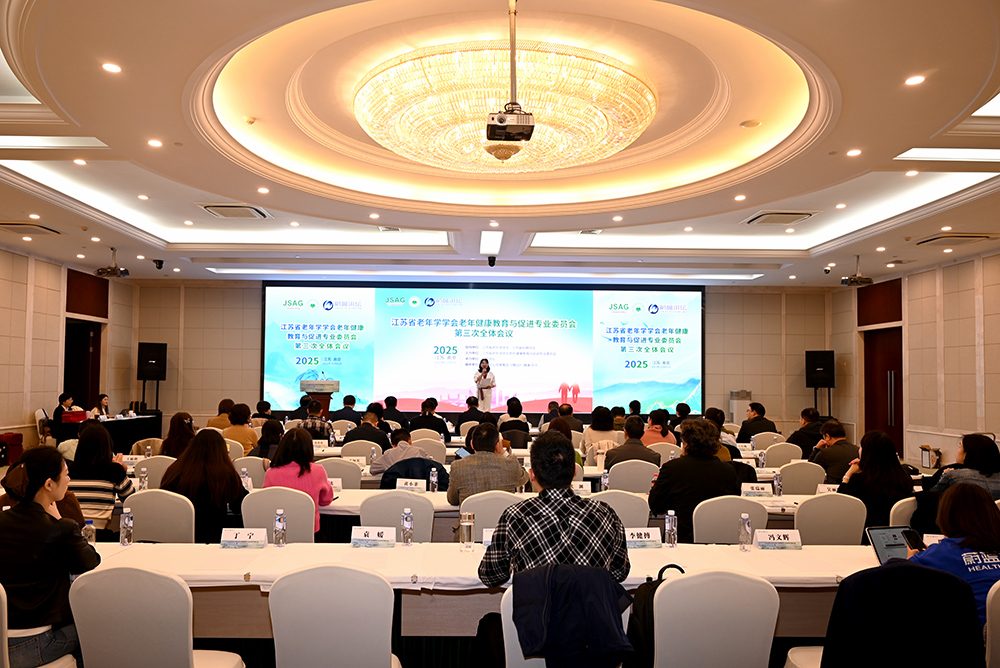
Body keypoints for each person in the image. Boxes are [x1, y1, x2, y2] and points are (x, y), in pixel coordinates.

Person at [478, 430, 630, 588]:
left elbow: (491, 576)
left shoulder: (515, 516)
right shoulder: (605, 513)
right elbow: (619, 573)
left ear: (532, 475)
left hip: (536, 604)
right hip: (592, 604)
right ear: (575, 471)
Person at [0, 447, 100, 668]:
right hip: (36, 645)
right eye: (65, 474)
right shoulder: (60, 528)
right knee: (97, 629)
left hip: (0, 644)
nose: (69, 479)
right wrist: (59, 519)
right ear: (49, 484)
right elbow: (90, 561)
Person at [909, 483, 1000, 627]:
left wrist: (908, 561)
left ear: (945, 516)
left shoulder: (937, 554)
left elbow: (883, 580)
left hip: (970, 636)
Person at [648, 418, 740, 543]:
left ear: (686, 443)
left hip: (680, 540)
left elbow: (655, 504)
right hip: (718, 540)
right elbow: (733, 503)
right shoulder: (728, 470)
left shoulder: (672, 468)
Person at [160, 430, 248, 543]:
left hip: (176, 537)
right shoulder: (226, 473)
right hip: (215, 538)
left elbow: (164, 499)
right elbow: (240, 504)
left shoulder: (175, 470)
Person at [68, 423, 134, 537]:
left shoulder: (67, 471)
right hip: (99, 534)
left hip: (70, 534)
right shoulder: (114, 471)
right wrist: (121, 469)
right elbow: (130, 499)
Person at [263, 428, 334, 534]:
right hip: (310, 531)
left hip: (279, 530)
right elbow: (326, 501)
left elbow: (267, 502)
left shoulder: (270, 473)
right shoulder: (318, 471)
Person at [838, 430, 914, 530]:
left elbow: (841, 503)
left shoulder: (859, 481)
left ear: (867, 452)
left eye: (861, 447)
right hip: (899, 532)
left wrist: (848, 474)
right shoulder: (904, 478)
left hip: (865, 532)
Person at [448, 423, 530, 506]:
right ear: (497, 446)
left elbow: (452, 500)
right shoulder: (510, 464)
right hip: (503, 514)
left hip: (471, 514)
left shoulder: (457, 466)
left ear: (472, 444)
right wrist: (504, 453)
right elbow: (525, 478)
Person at [930, 433, 1000, 498]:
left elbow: (930, 498)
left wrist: (945, 476)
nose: (957, 449)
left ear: (966, 454)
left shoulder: (953, 477)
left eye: (960, 446)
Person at [808, 419, 859, 484]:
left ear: (827, 436)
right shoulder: (857, 449)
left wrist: (816, 449)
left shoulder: (826, 452)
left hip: (833, 488)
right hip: (854, 487)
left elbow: (810, 470)